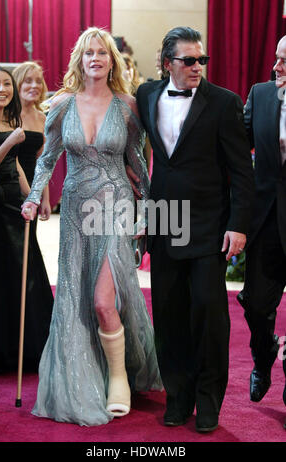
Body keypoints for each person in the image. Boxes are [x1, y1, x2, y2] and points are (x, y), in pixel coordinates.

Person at [21, 27, 162, 427]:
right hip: (77, 210)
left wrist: (148, 212)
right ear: (79, 60)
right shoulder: (62, 105)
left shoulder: (127, 106)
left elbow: (137, 162)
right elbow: (47, 158)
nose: (96, 58)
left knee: (104, 301)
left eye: (102, 52)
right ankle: (96, 372)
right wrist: (34, 196)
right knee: (79, 297)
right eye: (89, 53)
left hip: (115, 207)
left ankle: (119, 376)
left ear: (112, 60)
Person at [133, 26, 254, 432]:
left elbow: (241, 171)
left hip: (207, 224)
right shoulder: (147, 95)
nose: (197, 66)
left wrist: (238, 225)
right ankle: (178, 396)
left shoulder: (224, 103)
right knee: (168, 315)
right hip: (166, 221)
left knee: (208, 312)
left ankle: (208, 399)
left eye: (202, 59)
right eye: (189, 60)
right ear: (168, 63)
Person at [0, 66, 53, 378]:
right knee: (0, 273)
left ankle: (25, 347)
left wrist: (34, 196)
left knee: (24, 271)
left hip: (18, 200)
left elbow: (31, 164)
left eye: (5, 84)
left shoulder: (16, 119)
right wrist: (11, 141)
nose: (3, 89)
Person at [236, 36, 286, 424]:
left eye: (284, 61)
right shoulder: (262, 94)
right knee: (255, 303)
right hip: (266, 220)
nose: (276, 67)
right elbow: (239, 148)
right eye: (276, 59)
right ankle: (264, 354)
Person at [12, 61, 51, 221]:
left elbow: (42, 161)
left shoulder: (42, 118)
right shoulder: (7, 115)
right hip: (10, 187)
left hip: (33, 189)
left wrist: (45, 199)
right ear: (18, 83)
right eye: (28, 81)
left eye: (38, 81)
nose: (35, 85)